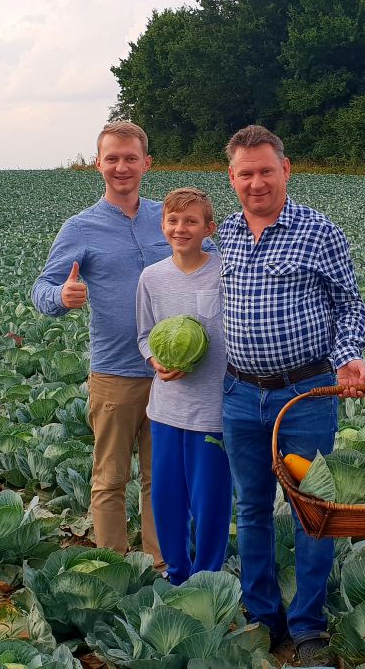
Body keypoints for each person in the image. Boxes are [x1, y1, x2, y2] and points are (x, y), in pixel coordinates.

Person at [218, 125, 365, 665]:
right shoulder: (226, 235)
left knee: (313, 511)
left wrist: (349, 352)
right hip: (239, 393)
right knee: (252, 506)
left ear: (286, 169)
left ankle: (307, 628)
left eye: (265, 170)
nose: (256, 182)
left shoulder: (318, 230)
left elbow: (350, 303)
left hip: (305, 392)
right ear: (231, 178)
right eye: (244, 173)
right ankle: (262, 618)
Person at [32, 121, 166, 569]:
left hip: (173, 374)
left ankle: (161, 565)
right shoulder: (81, 228)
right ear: (98, 164)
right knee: (110, 478)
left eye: (130, 158)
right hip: (115, 374)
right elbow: (43, 287)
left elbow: (207, 266)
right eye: (112, 158)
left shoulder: (167, 217)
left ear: (146, 162)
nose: (121, 167)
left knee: (160, 478)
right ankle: (112, 570)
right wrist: (61, 297)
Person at [134, 187, 232, 586]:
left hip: (214, 408)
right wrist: (155, 360)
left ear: (209, 228)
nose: (181, 228)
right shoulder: (152, 277)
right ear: (163, 226)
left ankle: (208, 576)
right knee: (167, 496)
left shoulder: (227, 270)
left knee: (211, 499)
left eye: (191, 221)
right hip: (167, 409)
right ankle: (177, 572)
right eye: (173, 221)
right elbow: (143, 334)